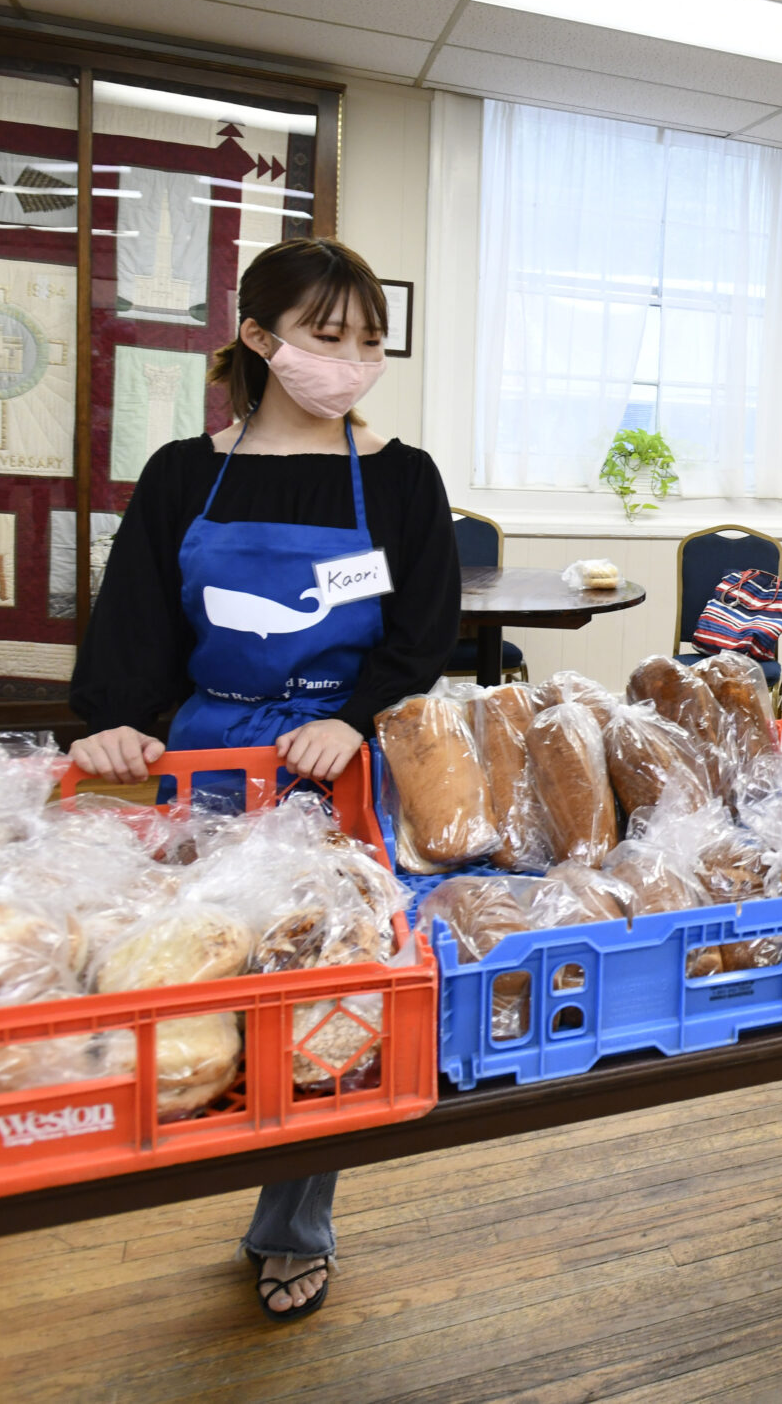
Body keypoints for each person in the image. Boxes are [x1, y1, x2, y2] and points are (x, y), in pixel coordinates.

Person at [69, 238, 459, 1323]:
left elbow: (423, 633)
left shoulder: (397, 479)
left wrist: (347, 715)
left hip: (332, 776)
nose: (353, 361)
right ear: (259, 339)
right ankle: (182, 1143)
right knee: (190, 981)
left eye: (370, 342)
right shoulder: (184, 474)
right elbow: (134, 626)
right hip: (208, 762)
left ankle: (293, 1222)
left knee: (313, 990)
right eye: (328, 339)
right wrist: (111, 725)